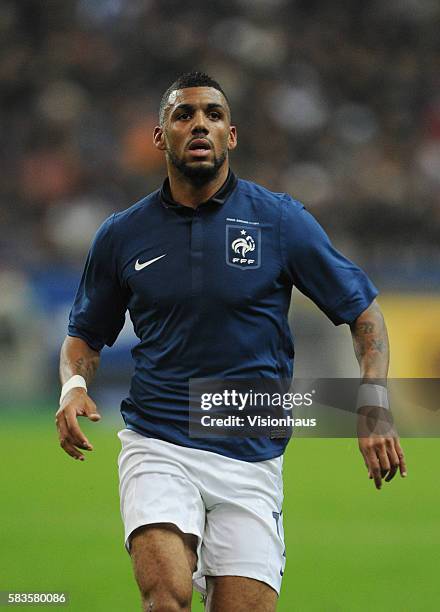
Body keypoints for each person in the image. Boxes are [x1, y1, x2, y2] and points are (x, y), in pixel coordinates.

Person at [56, 71, 407, 612]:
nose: (200, 124)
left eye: (213, 115)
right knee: (165, 597)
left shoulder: (281, 221)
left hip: (252, 453)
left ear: (231, 135)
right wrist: (74, 385)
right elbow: (84, 335)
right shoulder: (122, 235)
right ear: (159, 137)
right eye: (184, 114)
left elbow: (365, 317)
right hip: (159, 440)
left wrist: (374, 404)